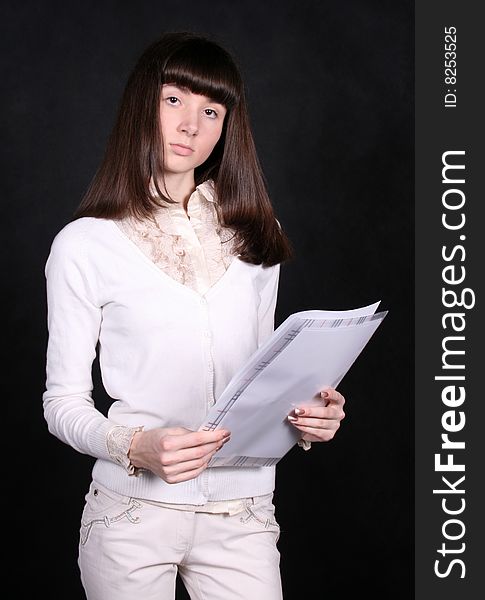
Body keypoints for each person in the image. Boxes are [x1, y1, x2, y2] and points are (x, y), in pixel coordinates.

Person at [42, 31, 346, 600]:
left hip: (241, 514)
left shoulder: (257, 235)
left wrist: (309, 417)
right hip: (131, 518)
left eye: (212, 111)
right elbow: (61, 404)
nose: (191, 126)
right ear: (142, 103)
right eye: (174, 100)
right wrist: (134, 446)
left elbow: (261, 382)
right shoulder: (85, 244)